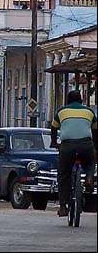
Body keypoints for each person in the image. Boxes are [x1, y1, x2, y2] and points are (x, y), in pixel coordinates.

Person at [50, 89, 97, 217]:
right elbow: (95, 131)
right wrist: (95, 148)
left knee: (64, 174)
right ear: (81, 100)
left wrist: (54, 143)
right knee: (90, 163)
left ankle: (63, 206)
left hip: (67, 146)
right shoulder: (89, 111)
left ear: (67, 101)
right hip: (85, 144)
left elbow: (53, 128)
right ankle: (88, 177)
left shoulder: (61, 111)